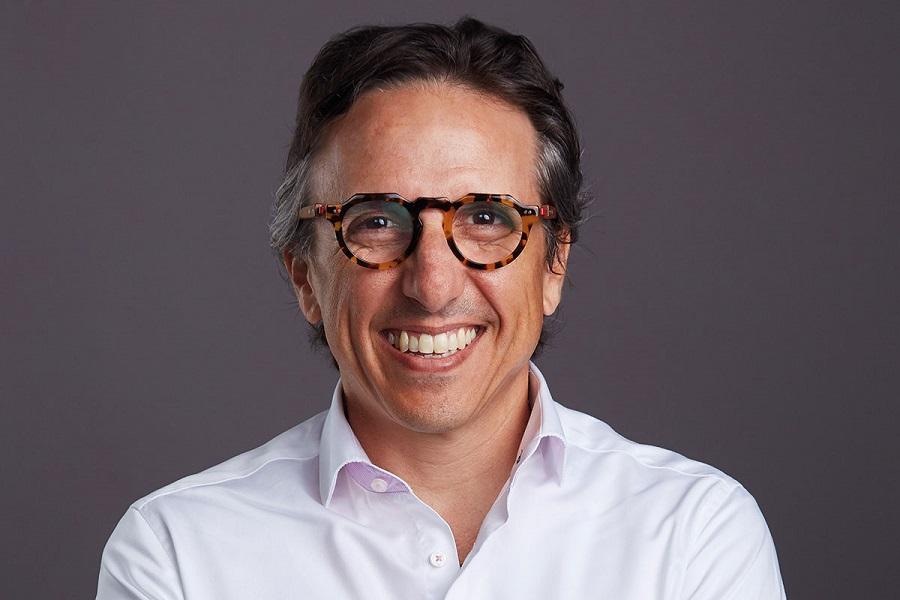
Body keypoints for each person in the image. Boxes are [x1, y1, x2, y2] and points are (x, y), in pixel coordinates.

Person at [96, 18, 786, 599]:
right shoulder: (179, 553)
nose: (432, 285)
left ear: (554, 264)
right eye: (376, 221)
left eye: (487, 217)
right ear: (305, 274)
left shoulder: (692, 535)